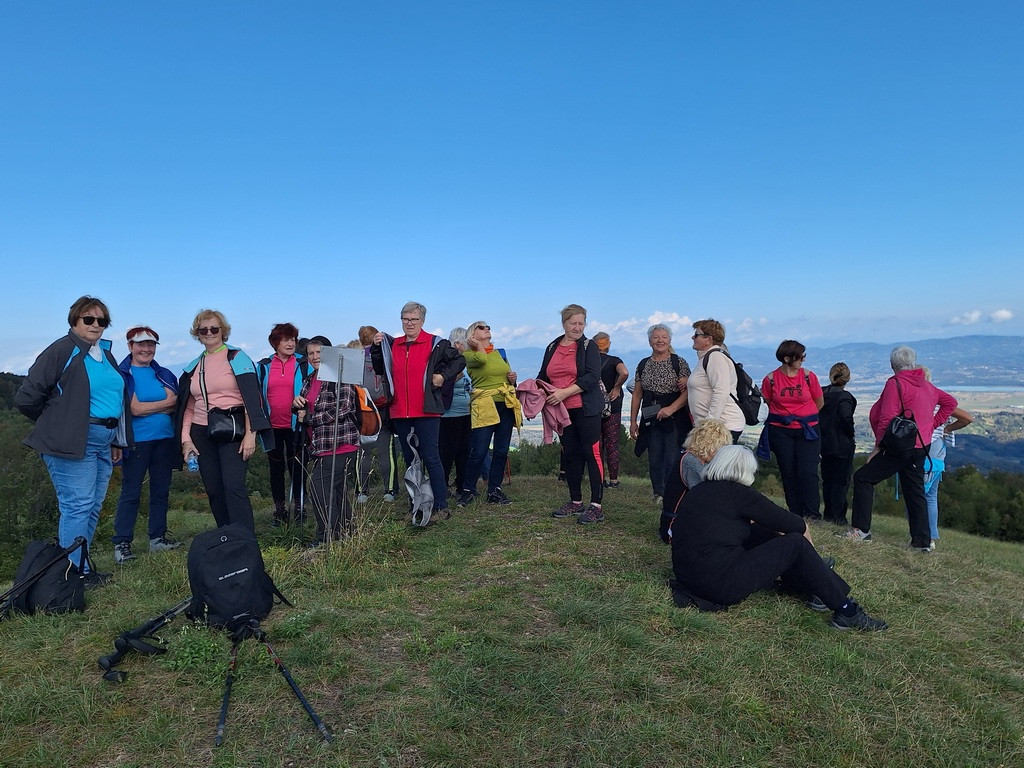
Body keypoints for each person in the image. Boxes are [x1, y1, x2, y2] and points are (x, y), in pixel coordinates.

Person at [671, 445, 887, 631]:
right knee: (795, 544)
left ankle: (813, 583)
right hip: (719, 587)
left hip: (689, 578)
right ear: (745, 471)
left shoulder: (698, 491)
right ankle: (846, 610)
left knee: (761, 534)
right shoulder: (740, 494)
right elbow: (795, 524)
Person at [15, 296, 131, 586]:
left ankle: (80, 569)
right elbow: (27, 397)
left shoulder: (104, 353)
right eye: (88, 319)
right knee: (77, 506)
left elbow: (114, 398)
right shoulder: (62, 349)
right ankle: (69, 577)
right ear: (74, 321)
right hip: (71, 442)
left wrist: (117, 439)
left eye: (101, 320)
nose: (95, 325)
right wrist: (60, 423)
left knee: (91, 506)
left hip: (103, 440)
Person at [844, 345, 957, 549]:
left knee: (863, 478)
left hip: (899, 447)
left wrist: (877, 448)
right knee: (915, 492)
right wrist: (932, 424)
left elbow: (887, 417)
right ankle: (922, 542)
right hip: (921, 446)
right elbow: (950, 402)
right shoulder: (927, 385)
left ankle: (860, 530)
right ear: (913, 363)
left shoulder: (895, 384)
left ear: (892, 365)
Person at [177, 309, 273, 531]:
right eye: (203, 330)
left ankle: (244, 539)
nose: (209, 333)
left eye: (214, 328)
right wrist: (185, 439)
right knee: (213, 488)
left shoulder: (237, 358)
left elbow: (251, 399)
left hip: (234, 429)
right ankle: (226, 535)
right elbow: (189, 406)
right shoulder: (194, 366)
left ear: (223, 331)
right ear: (197, 333)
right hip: (201, 433)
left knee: (233, 486)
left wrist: (251, 435)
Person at [371, 302, 466, 522]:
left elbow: (459, 361)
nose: (409, 323)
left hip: (426, 410)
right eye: (405, 319)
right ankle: (415, 504)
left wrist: (442, 376)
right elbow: (379, 368)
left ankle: (440, 506)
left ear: (422, 321)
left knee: (431, 458)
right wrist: (377, 348)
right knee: (410, 460)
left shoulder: (435, 343)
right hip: (400, 411)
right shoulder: (393, 345)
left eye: (414, 319)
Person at [111, 326, 181, 563]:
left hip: (164, 439)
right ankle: (122, 543)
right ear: (130, 346)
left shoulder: (164, 373)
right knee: (131, 492)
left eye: (151, 345)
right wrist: (164, 403)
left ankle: (157, 538)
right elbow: (135, 409)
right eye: (141, 345)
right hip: (136, 442)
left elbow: (176, 405)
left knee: (161, 491)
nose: (146, 349)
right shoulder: (122, 375)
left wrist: (155, 406)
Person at [538, 304, 605, 524]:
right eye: (573, 323)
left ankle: (596, 506)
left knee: (591, 453)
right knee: (570, 455)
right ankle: (575, 501)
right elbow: (543, 375)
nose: (577, 327)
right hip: (562, 412)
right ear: (564, 323)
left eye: (581, 323)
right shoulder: (552, 347)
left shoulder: (589, 346)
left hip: (585, 409)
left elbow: (592, 377)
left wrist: (563, 393)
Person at [294, 342, 358, 544]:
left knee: (318, 487)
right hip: (320, 445)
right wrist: (296, 406)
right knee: (336, 490)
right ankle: (348, 532)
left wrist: (311, 418)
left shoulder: (339, 374)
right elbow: (303, 409)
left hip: (341, 442)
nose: (314, 356)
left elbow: (344, 407)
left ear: (329, 354)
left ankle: (326, 537)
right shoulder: (310, 379)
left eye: (319, 352)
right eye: (310, 353)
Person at [759, 340, 825, 520]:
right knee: (788, 472)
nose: (803, 359)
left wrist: (803, 417)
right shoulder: (771, 379)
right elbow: (766, 404)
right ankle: (795, 512)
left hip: (807, 431)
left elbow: (819, 402)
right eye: (800, 356)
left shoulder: (808, 376)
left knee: (808, 472)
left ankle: (812, 513)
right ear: (787, 358)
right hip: (781, 431)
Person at [459, 320, 522, 507]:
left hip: (505, 404)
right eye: (481, 327)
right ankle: (468, 490)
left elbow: (508, 377)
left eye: (488, 327)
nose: (487, 329)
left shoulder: (500, 353)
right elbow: (481, 360)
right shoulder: (468, 354)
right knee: (479, 451)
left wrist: (512, 379)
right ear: (472, 334)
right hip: (484, 404)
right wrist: (478, 345)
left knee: (501, 450)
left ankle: (494, 490)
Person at [629, 324, 690, 504]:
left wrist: (671, 408)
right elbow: (637, 394)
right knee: (654, 455)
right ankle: (658, 492)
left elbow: (688, 391)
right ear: (649, 341)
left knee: (672, 456)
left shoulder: (678, 362)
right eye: (656, 337)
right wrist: (633, 421)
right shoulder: (643, 364)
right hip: (651, 415)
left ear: (670, 340)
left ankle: (672, 492)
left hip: (675, 416)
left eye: (664, 337)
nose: (660, 341)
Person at [257, 323, 311, 526]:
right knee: (276, 470)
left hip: (297, 425)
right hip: (272, 427)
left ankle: (299, 509)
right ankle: (279, 511)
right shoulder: (263, 366)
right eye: (285, 339)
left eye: (293, 340)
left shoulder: (303, 364)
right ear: (275, 343)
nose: (290, 343)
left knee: (297, 468)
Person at [660, 418, 732, 543]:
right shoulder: (691, 462)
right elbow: (707, 496)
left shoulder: (691, 458)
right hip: (674, 527)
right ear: (711, 446)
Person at [355, 325, 399, 503]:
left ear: (360, 340)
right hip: (384, 408)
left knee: (363, 452)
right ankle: (389, 490)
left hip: (364, 409)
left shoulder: (356, 360)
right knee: (385, 451)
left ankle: (362, 492)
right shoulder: (385, 357)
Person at [687, 319, 745, 442]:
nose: (693, 337)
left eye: (697, 335)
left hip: (722, 426)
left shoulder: (715, 357)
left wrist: (708, 424)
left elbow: (721, 392)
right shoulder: (707, 357)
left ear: (709, 339)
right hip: (716, 425)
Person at [818, 363, 857, 526]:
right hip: (842, 445)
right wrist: (850, 434)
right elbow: (846, 419)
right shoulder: (845, 397)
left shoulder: (822, 393)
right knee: (841, 482)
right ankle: (838, 516)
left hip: (824, 443)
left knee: (828, 480)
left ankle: (828, 513)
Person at [440, 327, 474, 500]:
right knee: (447, 452)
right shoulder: (448, 361)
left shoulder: (467, 361)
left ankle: (461, 485)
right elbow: (442, 384)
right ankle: (442, 486)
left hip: (466, 412)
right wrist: (456, 375)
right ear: (458, 344)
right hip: (449, 414)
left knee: (464, 451)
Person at [593, 332, 628, 489]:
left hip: (594, 406)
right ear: (608, 345)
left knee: (597, 444)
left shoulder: (590, 362)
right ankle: (614, 480)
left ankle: (599, 478)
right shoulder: (615, 361)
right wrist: (616, 387)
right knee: (612, 443)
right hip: (613, 406)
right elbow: (625, 372)